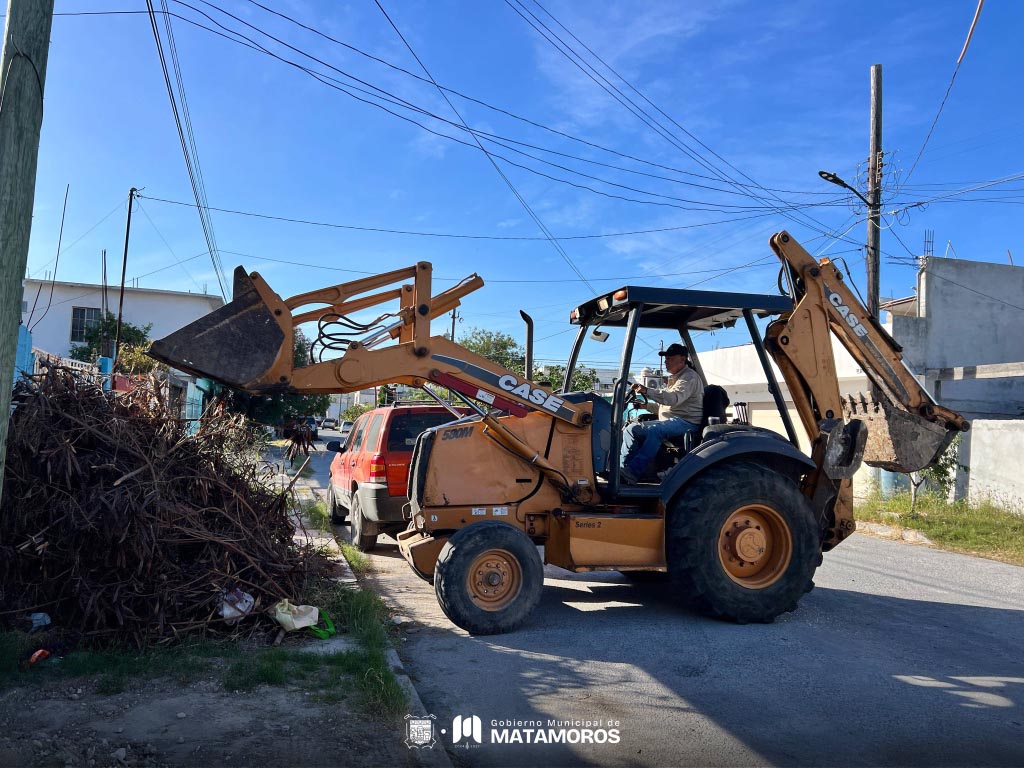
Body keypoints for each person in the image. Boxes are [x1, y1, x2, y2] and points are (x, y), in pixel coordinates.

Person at [620, 343, 704, 484]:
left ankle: (633, 472)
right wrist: (645, 405)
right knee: (631, 429)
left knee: (655, 431)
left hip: (686, 422)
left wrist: (647, 390)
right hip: (672, 420)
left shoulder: (689, 378)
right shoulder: (675, 378)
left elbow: (672, 399)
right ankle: (623, 471)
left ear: (682, 359)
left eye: (670, 358)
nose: (666, 361)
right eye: (666, 358)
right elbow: (664, 407)